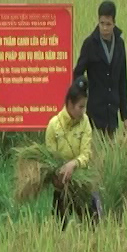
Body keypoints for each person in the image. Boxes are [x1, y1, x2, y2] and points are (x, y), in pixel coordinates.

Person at [45, 76, 102, 230]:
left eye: (85, 107)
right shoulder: (53, 125)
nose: (83, 111)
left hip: (81, 184)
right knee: (59, 229)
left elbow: (86, 153)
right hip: (61, 186)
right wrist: (58, 175)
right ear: (70, 104)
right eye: (80, 107)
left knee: (93, 227)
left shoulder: (85, 123)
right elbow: (50, 158)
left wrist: (73, 164)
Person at [73, 0, 127, 138]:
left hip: (112, 113)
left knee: (110, 153)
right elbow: (77, 74)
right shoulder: (90, 44)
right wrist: (82, 98)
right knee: (93, 152)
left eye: (108, 24)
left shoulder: (120, 45)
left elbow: (122, 81)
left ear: (114, 23)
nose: (104, 28)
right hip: (93, 113)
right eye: (102, 23)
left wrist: (125, 117)